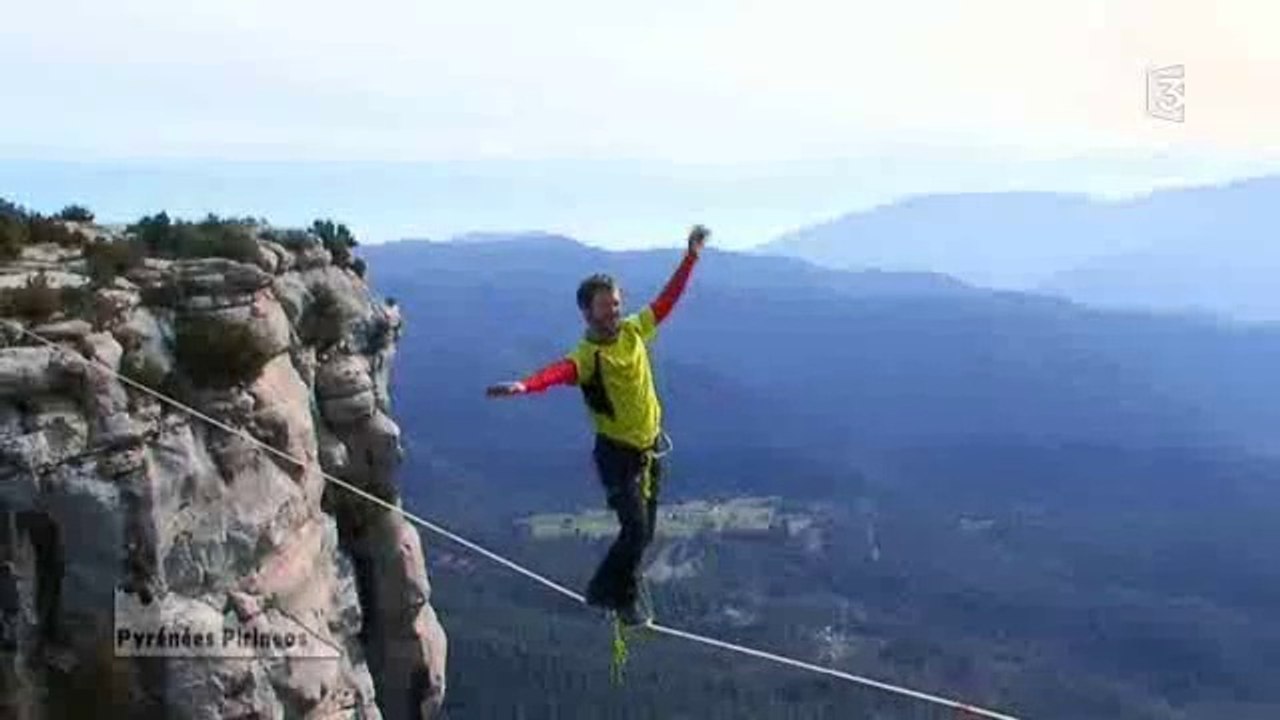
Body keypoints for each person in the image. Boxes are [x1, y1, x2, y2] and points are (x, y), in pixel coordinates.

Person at [485, 225, 709, 626]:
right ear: (587, 312)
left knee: (644, 533)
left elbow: (667, 300)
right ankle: (608, 594)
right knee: (635, 531)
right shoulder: (588, 356)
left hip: (649, 450)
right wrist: (525, 386)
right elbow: (559, 371)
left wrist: (690, 257)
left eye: (616, 304)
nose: (614, 312)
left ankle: (619, 593)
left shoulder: (634, 331)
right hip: (618, 456)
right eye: (606, 306)